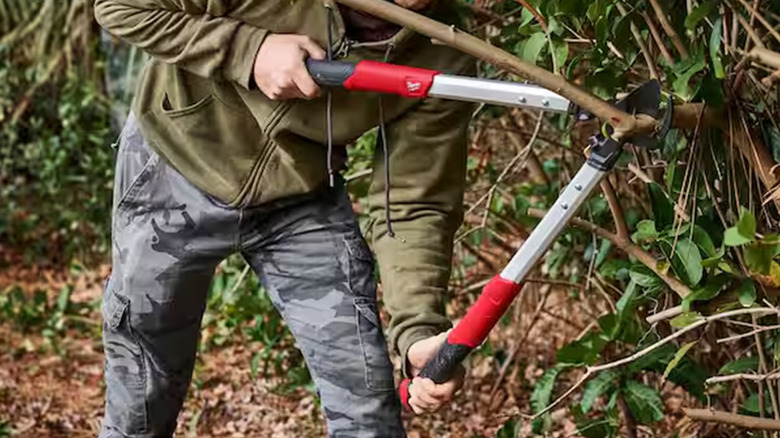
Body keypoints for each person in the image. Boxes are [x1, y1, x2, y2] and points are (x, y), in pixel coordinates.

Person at [93, 0, 475, 436]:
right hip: (176, 166)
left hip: (302, 200)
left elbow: (413, 200)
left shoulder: (443, 45)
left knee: (367, 412)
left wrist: (418, 327)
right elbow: (121, 7)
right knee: (142, 399)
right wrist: (249, 51)